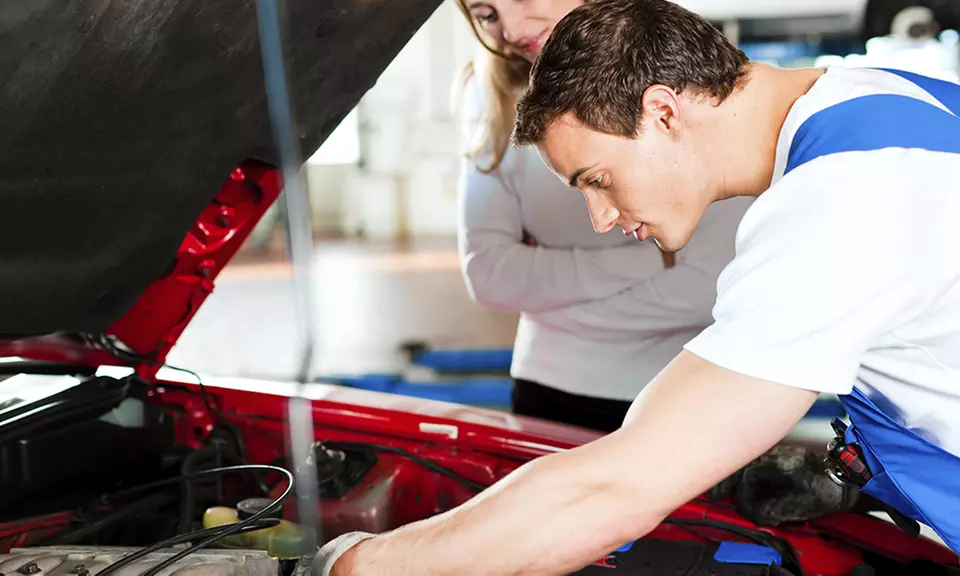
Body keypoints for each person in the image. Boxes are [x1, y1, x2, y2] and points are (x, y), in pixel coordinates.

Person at [316, 0, 960, 573]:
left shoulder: (838, 203)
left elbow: (612, 491)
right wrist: (856, 477)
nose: (600, 218)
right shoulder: (872, 94)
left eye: (596, 178)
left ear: (662, 110)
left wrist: (359, 564)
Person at [452, 0, 751, 432]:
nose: (511, 29)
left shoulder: (684, 72)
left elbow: (710, 289)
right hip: (548, 388)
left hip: (685, 386)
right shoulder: (489, 95)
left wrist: (553, 315)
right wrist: (656, 260)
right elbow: (488, 273)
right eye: (486, 14)